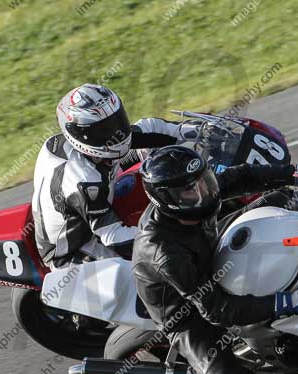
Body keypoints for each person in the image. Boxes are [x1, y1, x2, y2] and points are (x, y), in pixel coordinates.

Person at [132, 145, 298, 374]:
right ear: (165, 199)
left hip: (212, 246)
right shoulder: (164, 252)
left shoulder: (199, 195)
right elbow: (216, 309)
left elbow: (242, 176)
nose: (203, 192)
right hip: (187, 311)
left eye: (204, 181)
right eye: (189, 191)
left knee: (284, 199)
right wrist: (285, 301)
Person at [32, 84, 197, 269]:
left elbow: (148, 128)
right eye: (103, 129)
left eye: (116, 121)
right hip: (73, 249)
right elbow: (113, 237)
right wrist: (176, 234)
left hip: (89, 201)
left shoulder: (98, 145)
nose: (114, 132)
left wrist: (198, 130)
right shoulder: (83, 180)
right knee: (158, 267)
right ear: (79, 134)